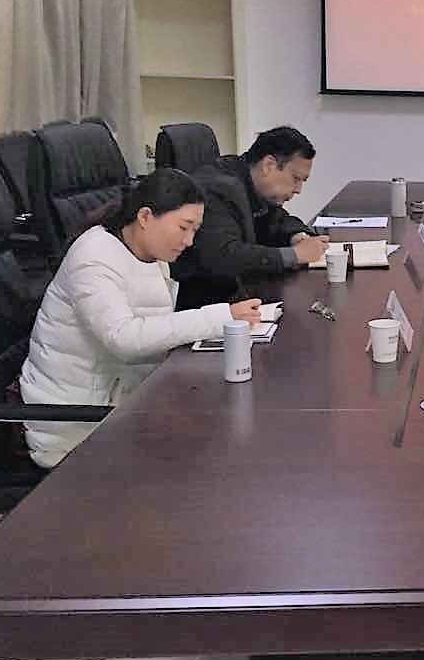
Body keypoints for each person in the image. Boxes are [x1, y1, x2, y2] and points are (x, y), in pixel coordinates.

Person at [20, 169, 262, 469]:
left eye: (195, 230)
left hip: (122, 400)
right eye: (183, 227)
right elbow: (124, 338)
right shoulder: (93, 256)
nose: (189, 241)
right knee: (212, 454)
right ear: (145, 216)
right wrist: (219, 317)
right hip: (76, 425)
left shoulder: (147, 252)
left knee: (222, 426)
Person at [173, 126, 329, 308]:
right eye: (296, 178)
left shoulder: (249, 181)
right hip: (206, 304)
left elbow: (278, 219)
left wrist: (298, 236)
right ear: (268, 165)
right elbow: (224, 255)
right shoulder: (218, 188)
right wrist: (294, 255)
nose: (298, 189)